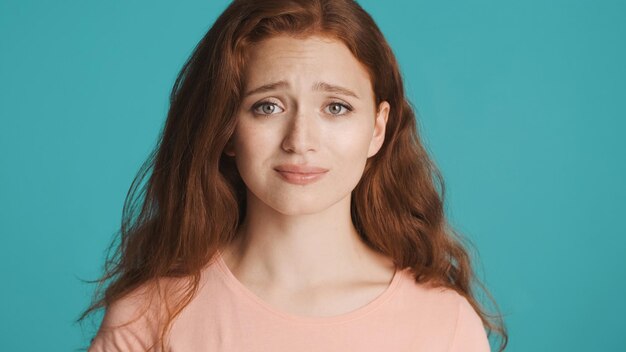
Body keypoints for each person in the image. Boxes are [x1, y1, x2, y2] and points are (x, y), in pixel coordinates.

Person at [78, 0, 508, 351]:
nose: (300, 141)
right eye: (268, 106)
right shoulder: (148, 319)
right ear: (226, 128)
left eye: (335, 107)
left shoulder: (442, 324)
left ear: (377, 129)